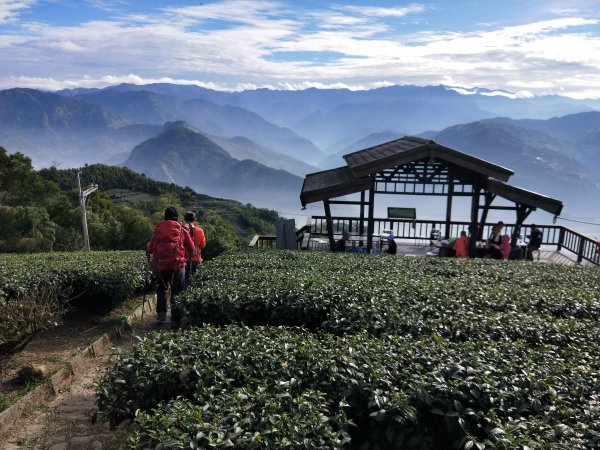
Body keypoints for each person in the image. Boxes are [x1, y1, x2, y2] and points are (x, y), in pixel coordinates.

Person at [146, 207, 194, 328]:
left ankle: (161, 314)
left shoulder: (157, 230)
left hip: (160, 265)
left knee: (161, 288)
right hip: (178, 265)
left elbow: (150, 249)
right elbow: (192, 250)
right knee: (177, 291)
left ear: (165, 216)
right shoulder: (182, 229)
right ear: (177, 217)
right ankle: (175, 320)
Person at [183, 211, 206, 285]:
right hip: (196, 258)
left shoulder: (180, 230)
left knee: (183, 281)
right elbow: (203, 245)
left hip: (183, 259)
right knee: (193, 283)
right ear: (194, 219)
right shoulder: (200, 231)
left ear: (185, 219)